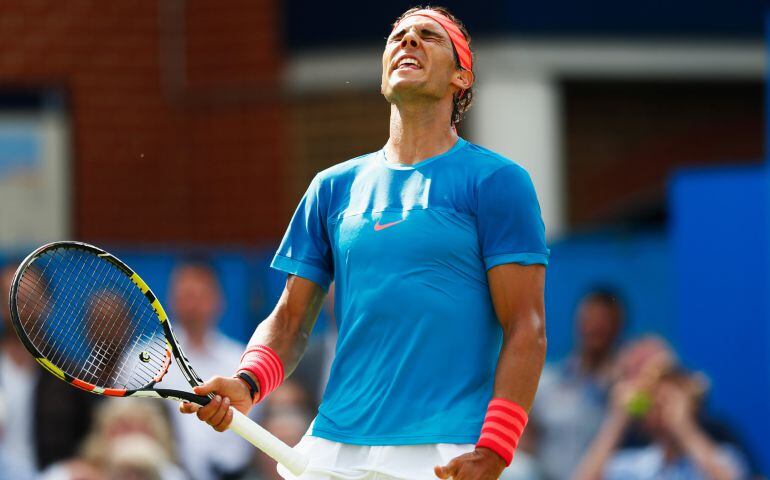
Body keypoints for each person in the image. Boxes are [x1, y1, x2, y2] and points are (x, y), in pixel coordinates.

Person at [182, 6, 549, 480]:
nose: (409, 41)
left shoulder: (498, 182)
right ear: (382, 74)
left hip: (443, 450)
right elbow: (291, 319)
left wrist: (496, 448)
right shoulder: (332, 187)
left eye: (429, 37)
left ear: (461, 77)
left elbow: (527, 327)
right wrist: (248, 383)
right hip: (335, 448)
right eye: (398, 35)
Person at [574, 342, 750, 480]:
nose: (660, 403)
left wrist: (683, 427)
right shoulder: (634, 464)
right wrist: (617, 419)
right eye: (652, 394)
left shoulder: (722, 447)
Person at [0, 262, 98, 475]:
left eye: (29, 299)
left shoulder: (71, 376)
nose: (22, 307)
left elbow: (90, 442)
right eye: (14, 299)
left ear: (47, 303)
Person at [162, 260, 255, 480]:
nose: (192, 305)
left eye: (200, 295)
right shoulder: (142, 358)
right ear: (172, 299)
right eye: (186, 295)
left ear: (218, 301)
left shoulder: (242, 359)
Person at [530, 288, 624, 479]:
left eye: (604, 321)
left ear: (617, 327)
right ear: (579, 322)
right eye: (590, 319)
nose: (596, 326)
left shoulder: (626, 389)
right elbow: (525, 439)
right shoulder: (547, 382)